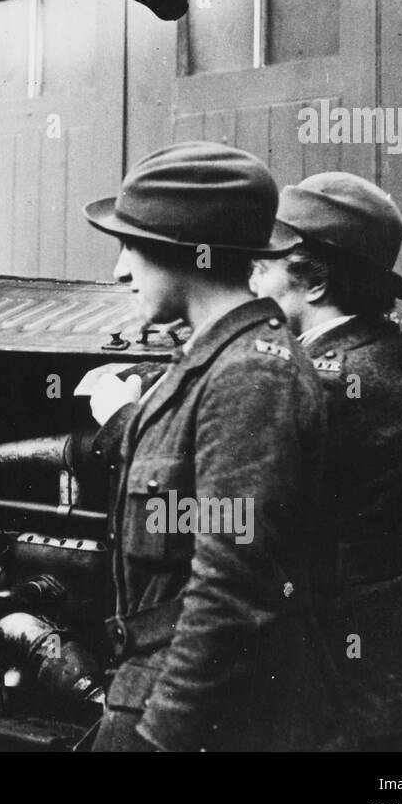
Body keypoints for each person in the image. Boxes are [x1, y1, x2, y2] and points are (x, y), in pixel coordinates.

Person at [82, 141, 345, 751]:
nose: (120, 271)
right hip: (155, 693)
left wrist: (159, 737)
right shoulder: (211, 362)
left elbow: (230, 588)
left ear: (182, 253)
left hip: (207, 718)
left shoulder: (252, 377)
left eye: (132, 246)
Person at [250, 171, 402, 751]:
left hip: (333, 692)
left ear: (314, 282)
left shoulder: (330, 379)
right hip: (379, 677)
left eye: (262, 264)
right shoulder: (387, 354)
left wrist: (120, 422)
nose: (248, 277)